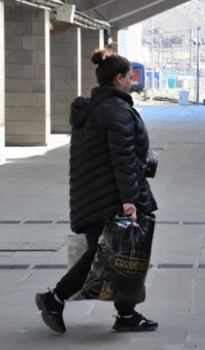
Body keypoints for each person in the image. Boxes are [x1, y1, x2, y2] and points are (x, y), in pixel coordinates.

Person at [35, 49, 158, 334]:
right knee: (108, 255)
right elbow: (123, 159)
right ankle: (55, 299)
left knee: (115, 254)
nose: (132, 81)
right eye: (129, 77)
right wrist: (130, 201)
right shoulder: (115, 110)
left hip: (92, 195)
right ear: (118, 79)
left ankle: (125, 313)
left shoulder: (93, 108)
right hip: (109, 197)